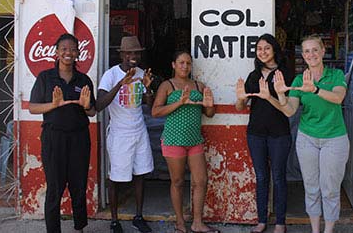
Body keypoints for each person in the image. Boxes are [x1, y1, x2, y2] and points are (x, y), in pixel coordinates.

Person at [272, 34, 349, 233]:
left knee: (330, 189)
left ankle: (328, 230)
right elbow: (289, 110)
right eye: (306, 51)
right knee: (312, 187)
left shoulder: (335, 75)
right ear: (302, 55)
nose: (311, 54)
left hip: (334, 139)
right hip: (307, 139)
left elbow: (338, 97)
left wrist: (315, 90)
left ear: (323, 51)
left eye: (315, 49)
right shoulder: (299, 79)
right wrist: (281, 93)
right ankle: (315, 230)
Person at [29, 33, 96, 233]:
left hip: (79, 138)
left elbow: (92, 111)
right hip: (54, 137)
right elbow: (33, 107)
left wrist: (85, 106)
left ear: (78, 53)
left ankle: (79, 227)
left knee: (78, 185)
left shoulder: (83, 79)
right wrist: (54, 104)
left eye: (72, 49)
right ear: (57, 52)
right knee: (55, 188)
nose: (68, 53)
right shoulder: (45, 78)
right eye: (64, 49)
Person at [152, 51, 220, 233]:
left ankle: (197, 222)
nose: (185, 66)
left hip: (194, 140)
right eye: (181, 62)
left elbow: (209, 114)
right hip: (174, 140)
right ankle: (180, 222)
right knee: (178, 181)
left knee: (201, 180)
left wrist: (209, 105)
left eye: (188, 63)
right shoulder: (167, 85)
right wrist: (179, 103)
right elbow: (155, 111)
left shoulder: (199, 85)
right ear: (173, 65)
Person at [96, 36, 154, 233]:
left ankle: (138, 216)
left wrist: (147, 88)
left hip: (139, 131)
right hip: (120, 134)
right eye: (129, 53)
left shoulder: (140, 73)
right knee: (116, 178)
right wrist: (121, 83)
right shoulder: (110, 75)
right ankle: (114, 220)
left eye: (136, 53)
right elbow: (99, 104)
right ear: (121, 54)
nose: (133, 56)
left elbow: (150, 106)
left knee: (141, 174)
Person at [235, 33, 292, 233]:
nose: (263, 52)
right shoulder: (254, 75)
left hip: (279, 133)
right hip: (256, 133)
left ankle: (280, 223)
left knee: (278, 177)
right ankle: (261, 220)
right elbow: (240, 106)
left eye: (267, 48)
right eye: (259, 49)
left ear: (274, 49)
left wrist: (269, 97)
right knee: (261, 177)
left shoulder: (285, 73)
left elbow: (288, 108)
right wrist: (241, 97)